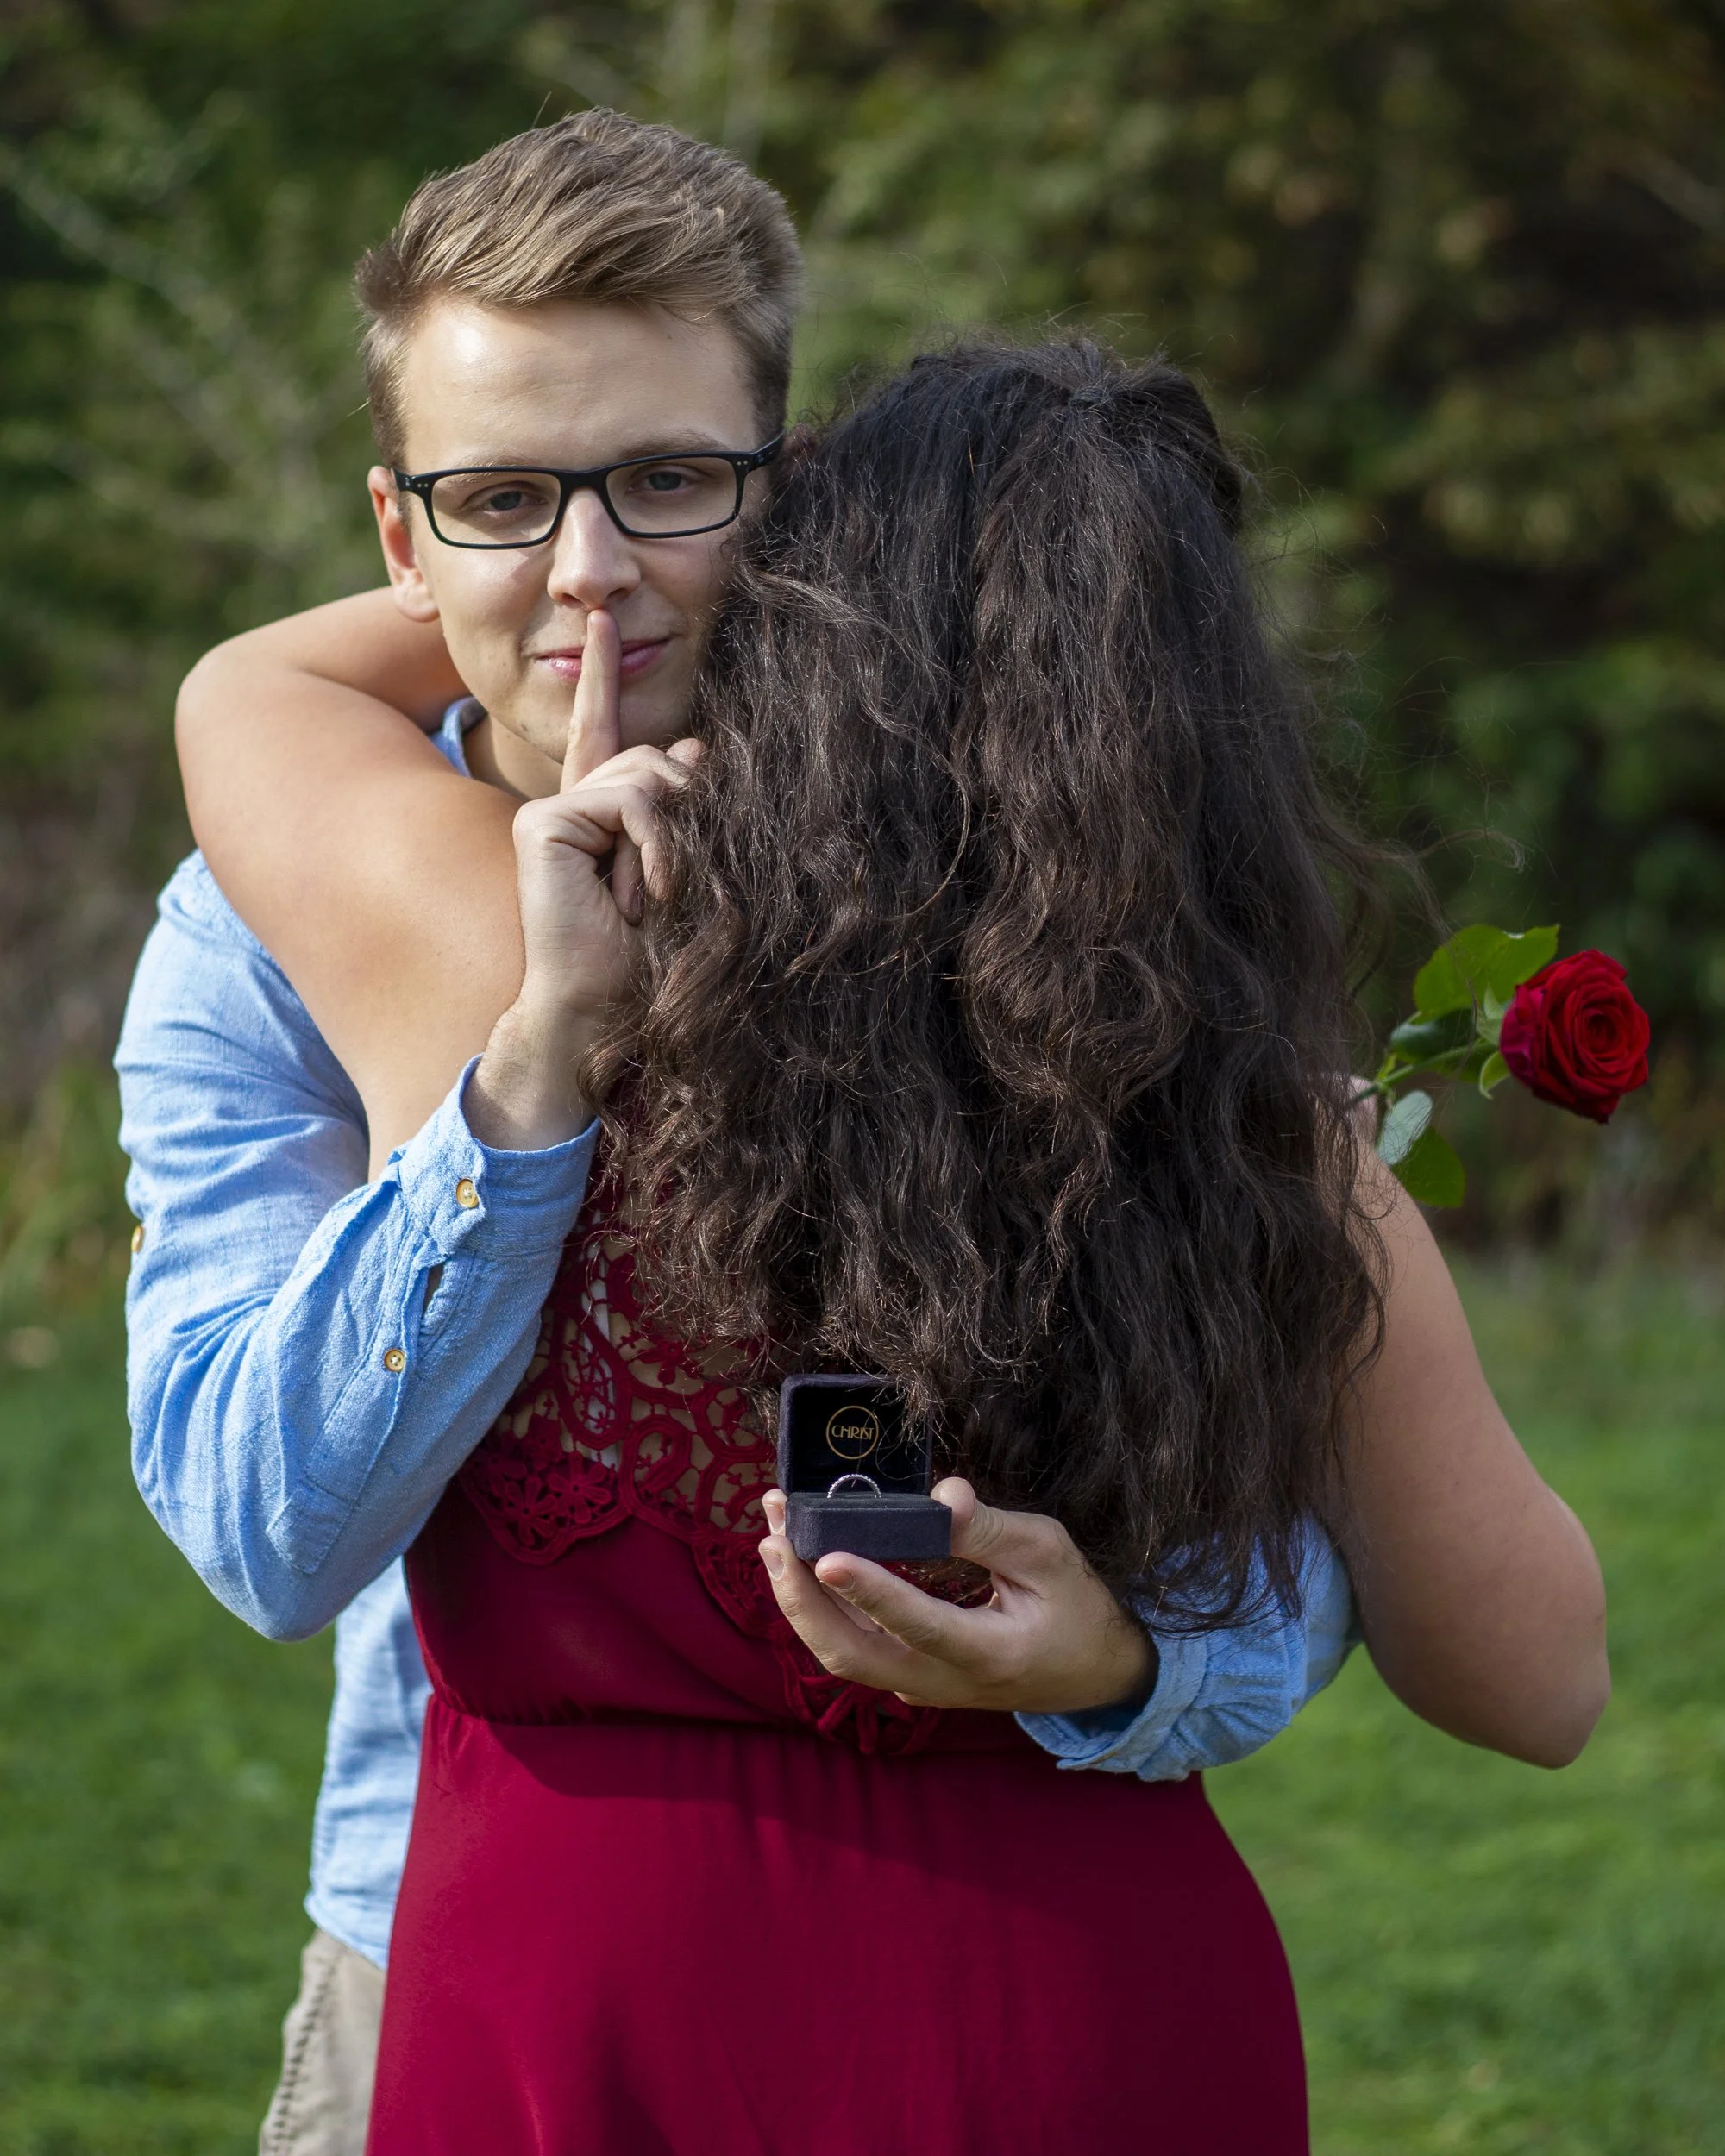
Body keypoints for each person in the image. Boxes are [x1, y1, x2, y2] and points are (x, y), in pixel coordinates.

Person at [169, 323, 1610, 2153]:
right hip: (1078, 2012)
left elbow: (247, 693)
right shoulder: (1263, 1162)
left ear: (803, 637)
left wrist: (577, 551)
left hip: (566, 2001)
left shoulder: (505, 980)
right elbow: (1541, 1679)